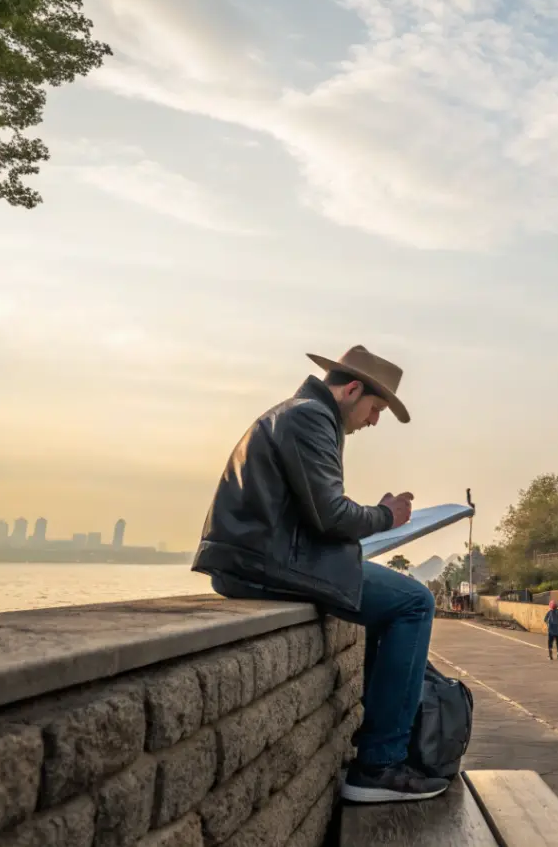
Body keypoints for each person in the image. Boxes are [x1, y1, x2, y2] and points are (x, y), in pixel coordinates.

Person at [192, 345, 449, 804]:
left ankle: (381, 751)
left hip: (261, 558)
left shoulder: (299, 414)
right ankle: (378, 766)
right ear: (352, 390)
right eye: (375, 409)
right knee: (415, 602)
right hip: (264, 564)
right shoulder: (311, 417)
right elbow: (330, 514)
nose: (373, 421)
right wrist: (387, 516)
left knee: (397, 602)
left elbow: (313, 512)